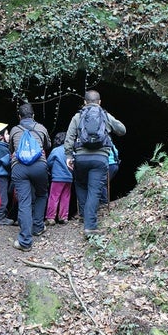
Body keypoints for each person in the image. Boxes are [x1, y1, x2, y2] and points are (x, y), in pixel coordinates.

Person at [64, 90, 126, 236]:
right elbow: (122, 130)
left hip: (81, 158)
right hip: (100, 159)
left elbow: (69, 137)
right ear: (99, 102)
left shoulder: (78, 117)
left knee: (80, 185)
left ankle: (85, 216)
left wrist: (68, 155)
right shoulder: (105, 115)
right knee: (94, 191)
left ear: (85, 102)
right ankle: (90, 226)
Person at [9, 103, 51, 251]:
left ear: (19, 117)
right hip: (39, 166)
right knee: (41, 194)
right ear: (33, 116)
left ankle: (25, 241)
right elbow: (47, 145)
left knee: (24, 201)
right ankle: (38, 226)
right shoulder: (41, 128)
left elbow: (12, 150)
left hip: (19, 167)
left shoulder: (14, 130)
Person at [45, 132, 72, 226]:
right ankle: (63, 217)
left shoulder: (56, 150)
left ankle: (51, 217)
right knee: (65, 197)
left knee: (54, 196)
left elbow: (48, 163)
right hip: (69, 178)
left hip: (57, 177)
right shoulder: (71, 150)